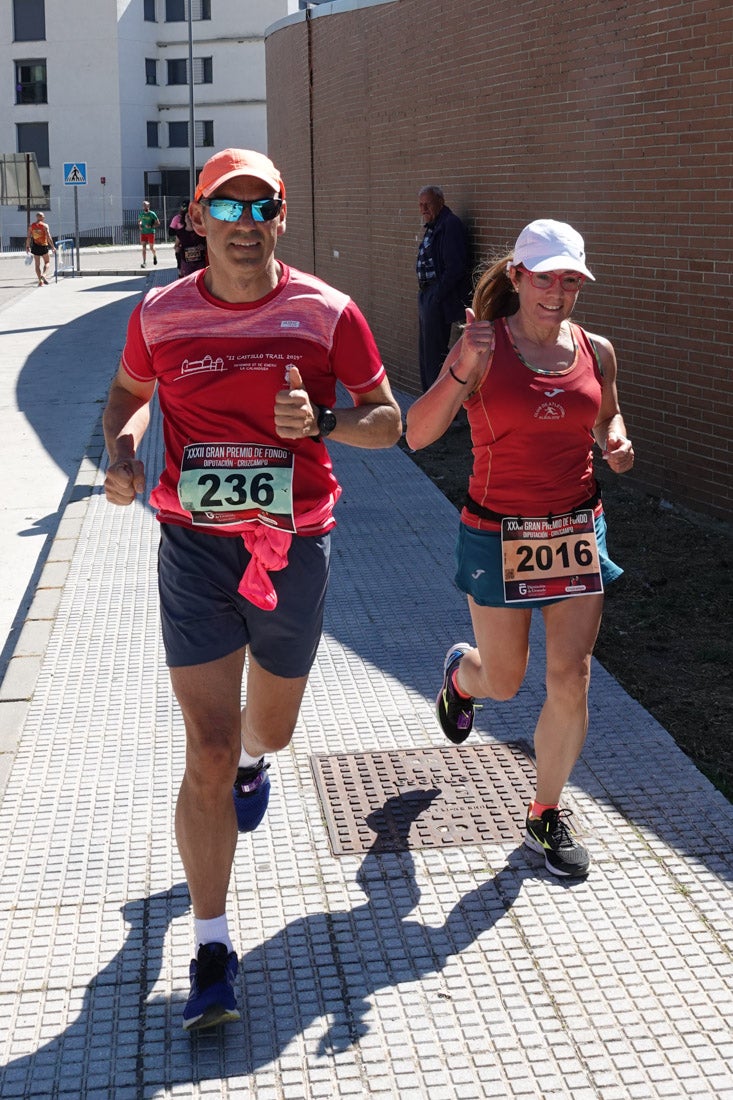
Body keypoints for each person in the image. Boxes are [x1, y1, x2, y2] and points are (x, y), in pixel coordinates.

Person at [102, 147, 402, 1031]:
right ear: (197, 220)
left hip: (294, 548)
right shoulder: (160, 313)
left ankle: (254, 764)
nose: (242, 224)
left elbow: (386, 421)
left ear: (281, 215)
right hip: (194, 546)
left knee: (265, 732)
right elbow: (125, 398)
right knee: (204, 745)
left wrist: (328, 421)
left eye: (258, 207)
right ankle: (212, 945)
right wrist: (119, 452)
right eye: (223, 209)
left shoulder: (327, 312)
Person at [406, 218, 634, 880]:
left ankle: (543, 814)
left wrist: (615, 441)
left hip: (572, 530)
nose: (557, 294)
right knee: (503, 680)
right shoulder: (480, 346)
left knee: (570, 675)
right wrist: (462, 370)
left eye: (569, 281)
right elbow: (418, 434)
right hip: (497, 531)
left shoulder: (596, 350)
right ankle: (461, 677)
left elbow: (606, 414)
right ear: (515, 278)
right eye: (544, 279)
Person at [416, 185, 471, 392]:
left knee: (434, 354)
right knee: (425, 353)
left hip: (437, 297)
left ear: (440, 201)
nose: (423, 209)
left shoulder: (450, 225)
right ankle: (426, 400)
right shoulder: (434, 226)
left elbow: (456, 267)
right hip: (427, 295)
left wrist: (436, 296)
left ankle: (436, 408)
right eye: (420, 205)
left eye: (427, 204)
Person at [171, 207, 208, 277]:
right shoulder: (180, 233)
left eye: (191, 217)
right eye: (188, 216)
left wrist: (203, 247)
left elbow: (208, 246)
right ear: (184, 219)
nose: (190, 219)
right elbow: (176, 246)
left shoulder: (200, 232)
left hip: (200, 264)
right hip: (186, 264)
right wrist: (177, 249)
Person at [25, 212, 56, 286]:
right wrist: (53, 247)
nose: (44, 217)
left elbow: (29, 237)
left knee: (37, 265)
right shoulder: (45, 226)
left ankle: (40, 281)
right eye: (43, 216)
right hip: (43, 246)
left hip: (35, 247)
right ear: (41, 217)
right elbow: (48, 237)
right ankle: (44, 275)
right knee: (47, 262)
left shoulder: (31, 226)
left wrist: (27, 246)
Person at [169, 201, 189, 274]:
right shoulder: (177, 218)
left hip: (194, 241)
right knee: (181, 264)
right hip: (182, 242)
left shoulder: (194, 217)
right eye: (184, 207)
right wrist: (180, 233)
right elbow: (171, 232)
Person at [138, 200, 160, 267]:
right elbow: (139, 221)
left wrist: (151, 226)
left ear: (149, 206)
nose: (145, 207)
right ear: (143, 207)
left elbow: (158, 223)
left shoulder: (152, 214)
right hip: (143, 233)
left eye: (147, 206)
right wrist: (140, 226)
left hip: (150, 232)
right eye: (144, 206)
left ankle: (154, 256)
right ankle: (144, 262)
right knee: (143, 247)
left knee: (151, 248)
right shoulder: (141, 214)